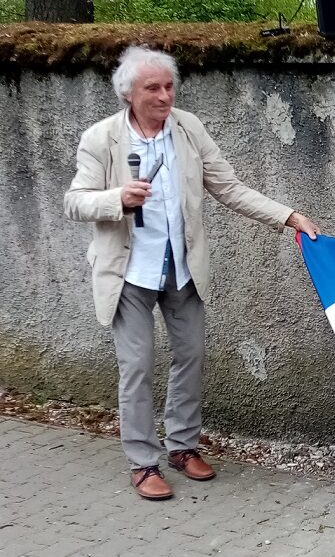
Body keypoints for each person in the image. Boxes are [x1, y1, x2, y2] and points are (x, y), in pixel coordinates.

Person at [64, 46, 321, 501]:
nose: (165, 96)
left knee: (192, 357)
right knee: (137, 366)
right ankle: (143, 464)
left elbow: (228, 187)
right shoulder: (101, 139)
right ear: (129, 93)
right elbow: (75, 200)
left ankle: (182, 446)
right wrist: (116, 198)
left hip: (181, 269)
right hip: (129, 273)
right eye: (153, 88)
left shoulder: (188, 129)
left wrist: (288, 216)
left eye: (169, 86)